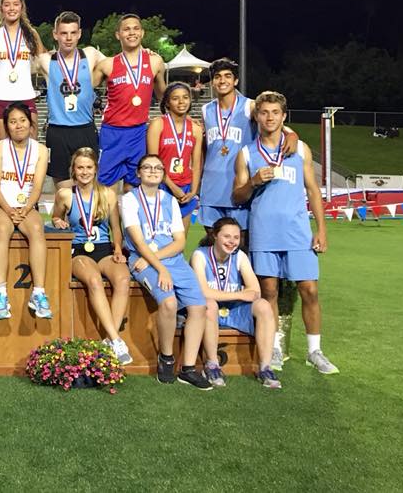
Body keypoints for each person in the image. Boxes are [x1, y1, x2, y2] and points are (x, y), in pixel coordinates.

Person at [232, 91, 339, 375]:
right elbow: (237, 196)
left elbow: (313, 192)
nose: (269, 117)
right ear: (257, 116)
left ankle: (315, 351)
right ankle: (275, 345)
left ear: (284, 116)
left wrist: (322, 229)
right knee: (269, 292)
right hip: (264, 233)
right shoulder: (246, 154)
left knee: (310, 291)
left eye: (275, 112)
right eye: (264, 112)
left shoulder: (300, 149)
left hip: (297, 233)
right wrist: (253, 182)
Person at [121, 154, 211, 389]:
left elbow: (180, 242)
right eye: (147, 167)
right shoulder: (129, 200)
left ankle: (189, 368)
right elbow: (139, 243)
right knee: (169, 303)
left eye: (158, 168)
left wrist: (160, 262)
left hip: (170, 260)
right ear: (138, 173)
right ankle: (167, 359)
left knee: (199, 307)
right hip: (143, 261)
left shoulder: (169, 200)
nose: (152, 171)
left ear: (163, 174)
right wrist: (159, 268)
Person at [199, 58, 298, 242]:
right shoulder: (206, 110)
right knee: (214, 243)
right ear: (212, 81)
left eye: (228, 76)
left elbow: (271, 120)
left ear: (236, 81)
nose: (222, 81)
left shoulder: (249, 106)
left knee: (240, 242)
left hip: (238, 186)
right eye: (218, 77)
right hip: (211, 188)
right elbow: (205, 148)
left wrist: (292, 134)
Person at [51, 147, 132, 364]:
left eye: (89, 167)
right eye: (80, 168)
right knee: (94, 281)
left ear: (95, 169)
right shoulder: (65, 194)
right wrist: (58, 221)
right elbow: (56, 217)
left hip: (105, 249)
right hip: (79, 250)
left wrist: (117, 249)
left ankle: (110, 339)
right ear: (73, 170)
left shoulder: (108, 194)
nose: (84, 172)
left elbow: (116, 227)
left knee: (123, 279)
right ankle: (116, 340)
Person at [190, 217, 281, 388]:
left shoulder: (240, 256)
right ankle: (212, 364)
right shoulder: (200, 255)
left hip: (234, 310)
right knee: (209, 303)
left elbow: (255, 291)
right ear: (215, 236)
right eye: (227, 237)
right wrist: (239, 294)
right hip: (210, 310)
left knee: (264, 306)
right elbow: (203, 292)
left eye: (236, 238)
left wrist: (239, 295)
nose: (232, 242)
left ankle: (265, 368)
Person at [0, 102, 53, 319]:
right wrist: (8, 209)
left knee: (36, 228)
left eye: (22, 120)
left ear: (30, 123)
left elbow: (37, 185)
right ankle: (0, 294)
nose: (18, 125)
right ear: (6, 126)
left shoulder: (41, 150)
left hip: (26, 206)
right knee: (3, 230)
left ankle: (39, 292)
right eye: (12, 122)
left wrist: (24, 210)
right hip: (1, 205)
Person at [91, 14, 167, 190]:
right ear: (118, 35)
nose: (131, 33)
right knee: (104, 188)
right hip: (112, 133)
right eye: (126, 29)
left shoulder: (155, 61)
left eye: (135, 28)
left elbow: (164, 96)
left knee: (134, 186)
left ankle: (130, 219)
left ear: (142, 32)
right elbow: (85, 90)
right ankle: (106, 219)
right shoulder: (107, 64)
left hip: (139, 133)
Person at [42, 12, 102, 193]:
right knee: (63, 191)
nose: (68, 38)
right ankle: (63, 221)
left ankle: (86, 221)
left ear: (79, 34)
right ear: (55, 34)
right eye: (63, 33)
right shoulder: (45, 60)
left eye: (73, 33)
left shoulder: (90, 54)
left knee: (87, 187)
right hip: (57, 130)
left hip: (85, 128)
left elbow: (119, 65)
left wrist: (144, 52)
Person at [0, 0, 47, 140]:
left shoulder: (31, 34)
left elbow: (45, 62)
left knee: (30, 151)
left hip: (25, 97)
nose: (11, 8)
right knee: (3, 152)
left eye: (15, 4)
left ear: (21, 8)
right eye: (7, 5)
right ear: (1, 9)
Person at [147, 82, 203, 230]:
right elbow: (153, 163)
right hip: (162, 186)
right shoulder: (158, 124)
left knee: (181, 241)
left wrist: (193, 191)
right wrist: (172, 187)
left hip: (185, 189)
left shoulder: (196, 129)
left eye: (185, 97)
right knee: (162, 238)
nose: (181, 102)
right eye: (175, 98)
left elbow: (196, 164)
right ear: (167, 102)